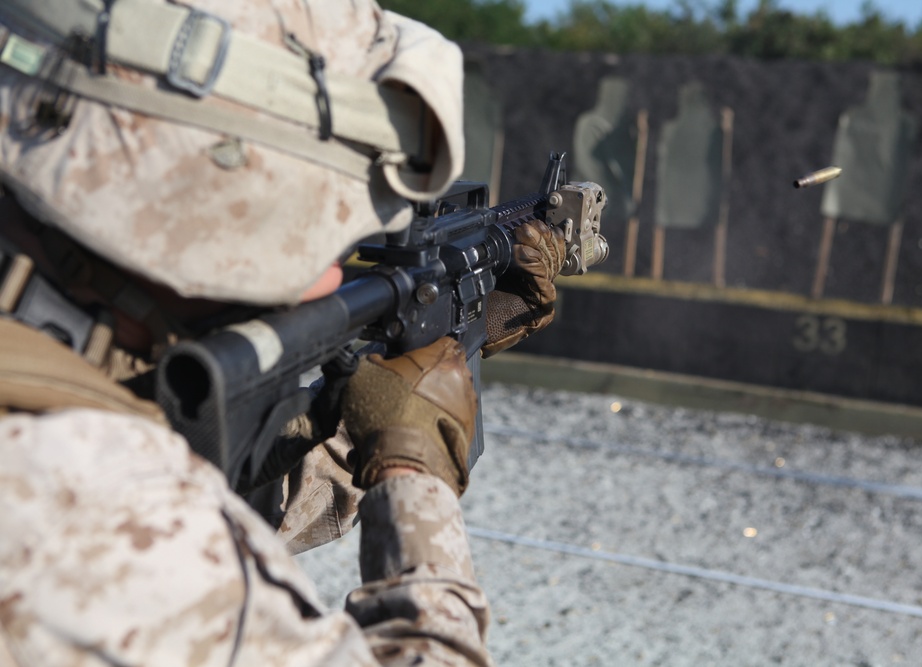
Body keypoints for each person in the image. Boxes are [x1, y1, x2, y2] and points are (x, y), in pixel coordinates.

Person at [0, 1, 565, 665]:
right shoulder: (103, 519)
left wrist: (360, 417)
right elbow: (179, 533)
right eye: (314, 238)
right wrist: (415, 470)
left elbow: (234, 496)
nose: (327, 279)